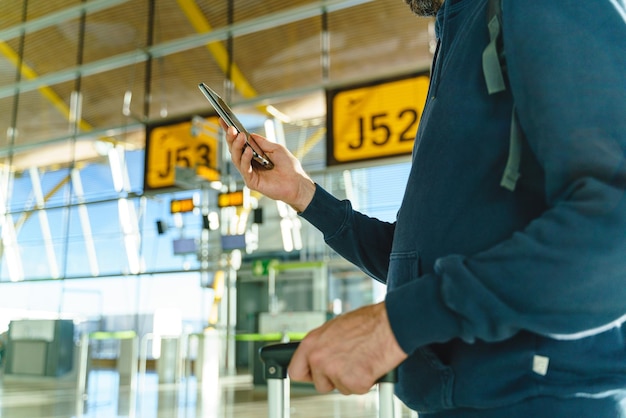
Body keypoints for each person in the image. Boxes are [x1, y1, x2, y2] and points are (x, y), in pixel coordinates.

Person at [222, 0, 626, 416]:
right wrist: (303, 194)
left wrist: (397, 323)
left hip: (536, 402)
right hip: (457, 401)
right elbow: (417, 261)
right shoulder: (459, 33)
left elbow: (615, 228)